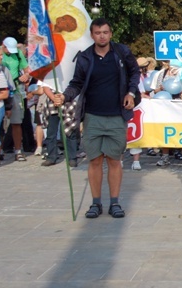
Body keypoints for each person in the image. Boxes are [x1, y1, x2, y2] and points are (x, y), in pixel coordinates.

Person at [53, 18, 140, 219]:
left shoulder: (121, 52)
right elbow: (77, 83)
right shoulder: (85, 57)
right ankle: (96, 203)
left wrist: (131, 92)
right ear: (92, 35)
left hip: (117, 115)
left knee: (114, 160)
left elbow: (134, 72)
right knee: (94, 160)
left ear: (111, 34)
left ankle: (115, 203)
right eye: (98, 32)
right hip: (92, 116)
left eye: (105, 32)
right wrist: (64, 96)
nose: (102, 36)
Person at [1, 36, 31, 161]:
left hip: (16, 89)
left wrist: (26, 75)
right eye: (8, 50)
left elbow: (27, 69)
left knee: (17, 121)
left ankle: (18, 150)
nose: (10, 52)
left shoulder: (18, 53)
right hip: (0, 89)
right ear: (3, 46)